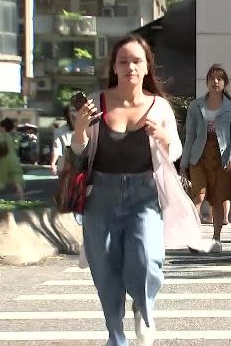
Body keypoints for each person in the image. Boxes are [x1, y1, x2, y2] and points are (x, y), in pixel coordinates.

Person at [70, 34, 203, 346]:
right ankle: (116, 338)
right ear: (114, 67)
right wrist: (79, 129)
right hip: (100, 195)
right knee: (105, 273)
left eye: (136, 61)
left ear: (146, 68)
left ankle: (143, 306)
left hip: (144, 195)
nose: (130, 66)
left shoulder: (159, 106)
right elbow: (79, 150)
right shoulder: (97, 101)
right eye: (123, 61)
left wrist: (163, 137)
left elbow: (175, 151)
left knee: (147, 261)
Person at [180, 63, 231, 250]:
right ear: (207, 82)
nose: (215, 82)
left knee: (218, 198)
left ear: (225, 83)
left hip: (222, 158)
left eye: (219, 79)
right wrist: (184, 164)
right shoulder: (196, 105)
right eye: (211, 78)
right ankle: (193, 236)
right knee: (198, 196)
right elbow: (189, 136)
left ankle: (216, 237)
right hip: (198, 157)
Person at [0, 118, 24, 199]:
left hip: (3, 160)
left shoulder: (1, 135)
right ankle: (21, 197)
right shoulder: (14, 136)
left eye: (0, 126)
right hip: (14, 160)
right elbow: (17, 145)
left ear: (3, 127)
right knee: (16, 179)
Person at [50, 105, 77, 176]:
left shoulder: (90, 129)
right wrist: (53, 163)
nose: (75, 114)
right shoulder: (59, 131)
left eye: (77, 110)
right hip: (65, 169)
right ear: (67, 114)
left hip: (83, 169)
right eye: (72, 110)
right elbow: (56, 148)